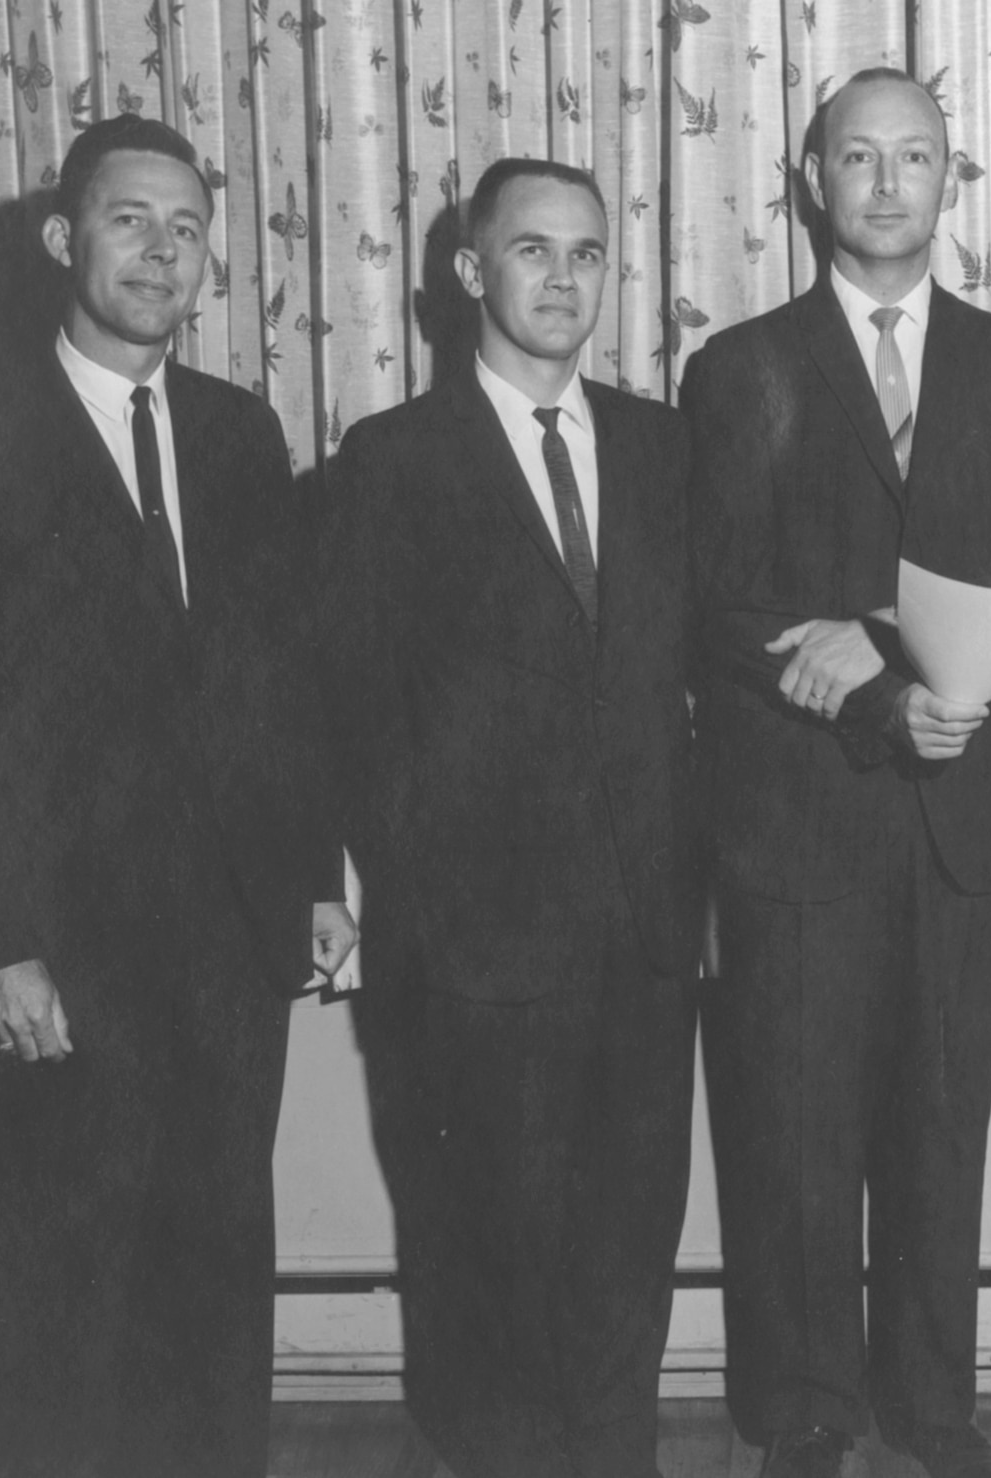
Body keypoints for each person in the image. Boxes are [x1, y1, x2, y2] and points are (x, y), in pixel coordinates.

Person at [0, 114, 356, 1478]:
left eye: (187, 228)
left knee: (215, 1278)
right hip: (57, 951)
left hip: (222, 944)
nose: (161, 251)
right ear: (60, 240)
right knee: (62, 1301)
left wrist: (312, 876)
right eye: (130, 219)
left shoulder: (239, 432)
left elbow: (279, 678)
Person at [682, 67, 991, 1478]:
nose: (889, 183)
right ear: (811, 179)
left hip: (966, 816)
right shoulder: (739, 369)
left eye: (916, 156)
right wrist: (874, 673)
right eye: (860, 157)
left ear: (952, 180)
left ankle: (930, 1403)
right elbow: (720, 598)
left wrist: (928, 681)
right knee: (792, 1125)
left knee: (940, 1123)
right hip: (799, 815)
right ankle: (802, 1404)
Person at [320, 158, 701, 1478]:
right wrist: (426, 903)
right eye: (531, 251)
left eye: (587, 253)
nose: (562, 280)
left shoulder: (663, 446)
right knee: (485, 1249)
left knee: (627, 1241)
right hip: (473, 954)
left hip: (647, 939)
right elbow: (355, 714)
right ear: (470, 271)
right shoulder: (389, 463)